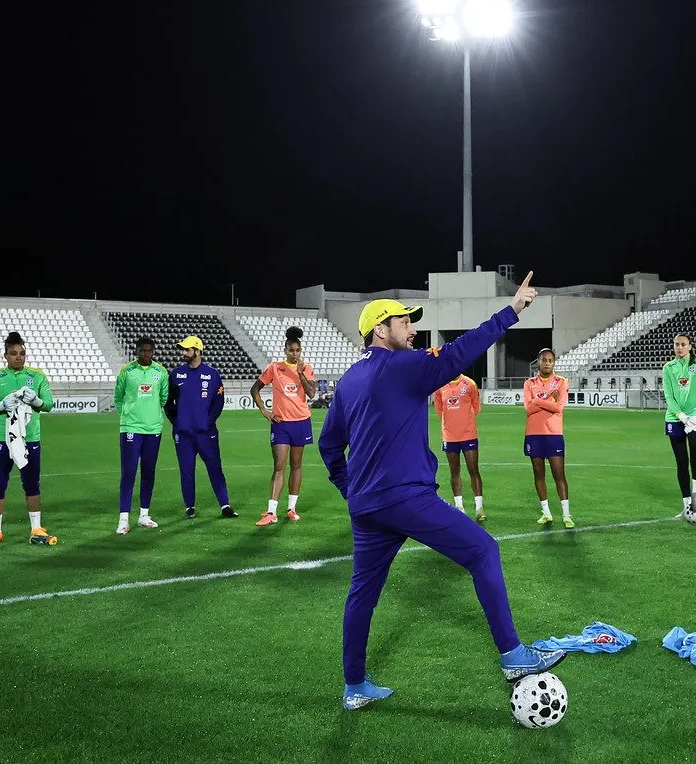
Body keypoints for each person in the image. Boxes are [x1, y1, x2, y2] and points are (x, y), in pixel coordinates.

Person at [317, 273, 565, 710]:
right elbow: (457, 354)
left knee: (362, 594)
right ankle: (513, 656)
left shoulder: (350, 380)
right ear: (381, 329)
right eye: (404, 323)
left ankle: (354, 685)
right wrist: (511, 311)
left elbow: (329, 445)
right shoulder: (402, 366)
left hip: (368, 507)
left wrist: (350, 490)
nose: (412, 330)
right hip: (406, 498)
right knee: (483, 551)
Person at [0, 331, 55, 544]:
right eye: (13, 353)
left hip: (30, 438)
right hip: (1, 439)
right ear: (5, 355)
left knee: (31, 483)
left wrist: (36, 401)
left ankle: (36, 528)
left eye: (21, 353)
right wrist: (1, 406)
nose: (18, 357)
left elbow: (48, 405)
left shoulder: (37, 376)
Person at [165, 335, 238, 519]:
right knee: (186, 471)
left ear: (198, 351)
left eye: (187, 349)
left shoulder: (212, 374)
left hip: (206, 434)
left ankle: (225, 505)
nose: (184, 352)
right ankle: (189, 507)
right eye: (183, 349)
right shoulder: (175, 374)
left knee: (215, 468)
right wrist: (177, 421)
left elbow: (218, 403)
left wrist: (207, 422)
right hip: (184, 434)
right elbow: (168, 403)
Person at [253, 326, 317, 526]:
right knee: (279, 466)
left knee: (296, 465)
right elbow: (255, 388)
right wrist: (265, 411)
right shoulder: (274, 367)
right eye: (291, 350)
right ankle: (271, 512)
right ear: (285, 350)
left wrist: (300, 374)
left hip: (301, 422)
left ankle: (291, 508)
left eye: (298, 351)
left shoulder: (306, 368)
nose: (295, 354)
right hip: (281, 424)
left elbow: (312, 394)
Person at [114, 337, 170, 534]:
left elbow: (163, 397)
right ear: (136, 351)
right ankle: (123, 519)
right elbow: (118, 398)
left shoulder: (160, 372)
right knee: (128, 474)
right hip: (131, 428)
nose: (146, 354)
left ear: (153, 351)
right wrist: (128, 416)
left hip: (153, 429)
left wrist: (150, 414)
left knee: (148, 473)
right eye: (142, 350)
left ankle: (144, 515)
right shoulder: (127, 371)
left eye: (149, 350)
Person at [663, 334, 696, 520]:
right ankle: (686, 506)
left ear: (690, 346)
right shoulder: (668, 367)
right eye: (677, 344)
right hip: (675, 418)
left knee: (695, 447)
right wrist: (680, 415)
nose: (680, 347)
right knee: (681, 461)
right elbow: (669, 396)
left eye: (683, 344)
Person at [524, 349, 573, 528]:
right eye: (544, 360)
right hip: (533, 434)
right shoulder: (529, 383)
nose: (547, 363)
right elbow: (528, 409)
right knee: (538, 474)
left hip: (553, 434)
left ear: (554, 363)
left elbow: (559, 408)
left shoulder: (561, 382)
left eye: (550, 360)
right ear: (538, 362)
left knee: (559, 474)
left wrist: (537, 401)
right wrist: (548, 401)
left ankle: (566, 515)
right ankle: (546, 513)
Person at [434, 373, 485, 520]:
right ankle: (459, 507)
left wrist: (464, 420)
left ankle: (479, 507)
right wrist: (451, 423)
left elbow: (476, 407)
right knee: (454, 471)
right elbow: (439, 410)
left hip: (468, 434)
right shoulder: (440, 385)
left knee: (473, 469)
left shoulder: (470, 384)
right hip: (449, 436)